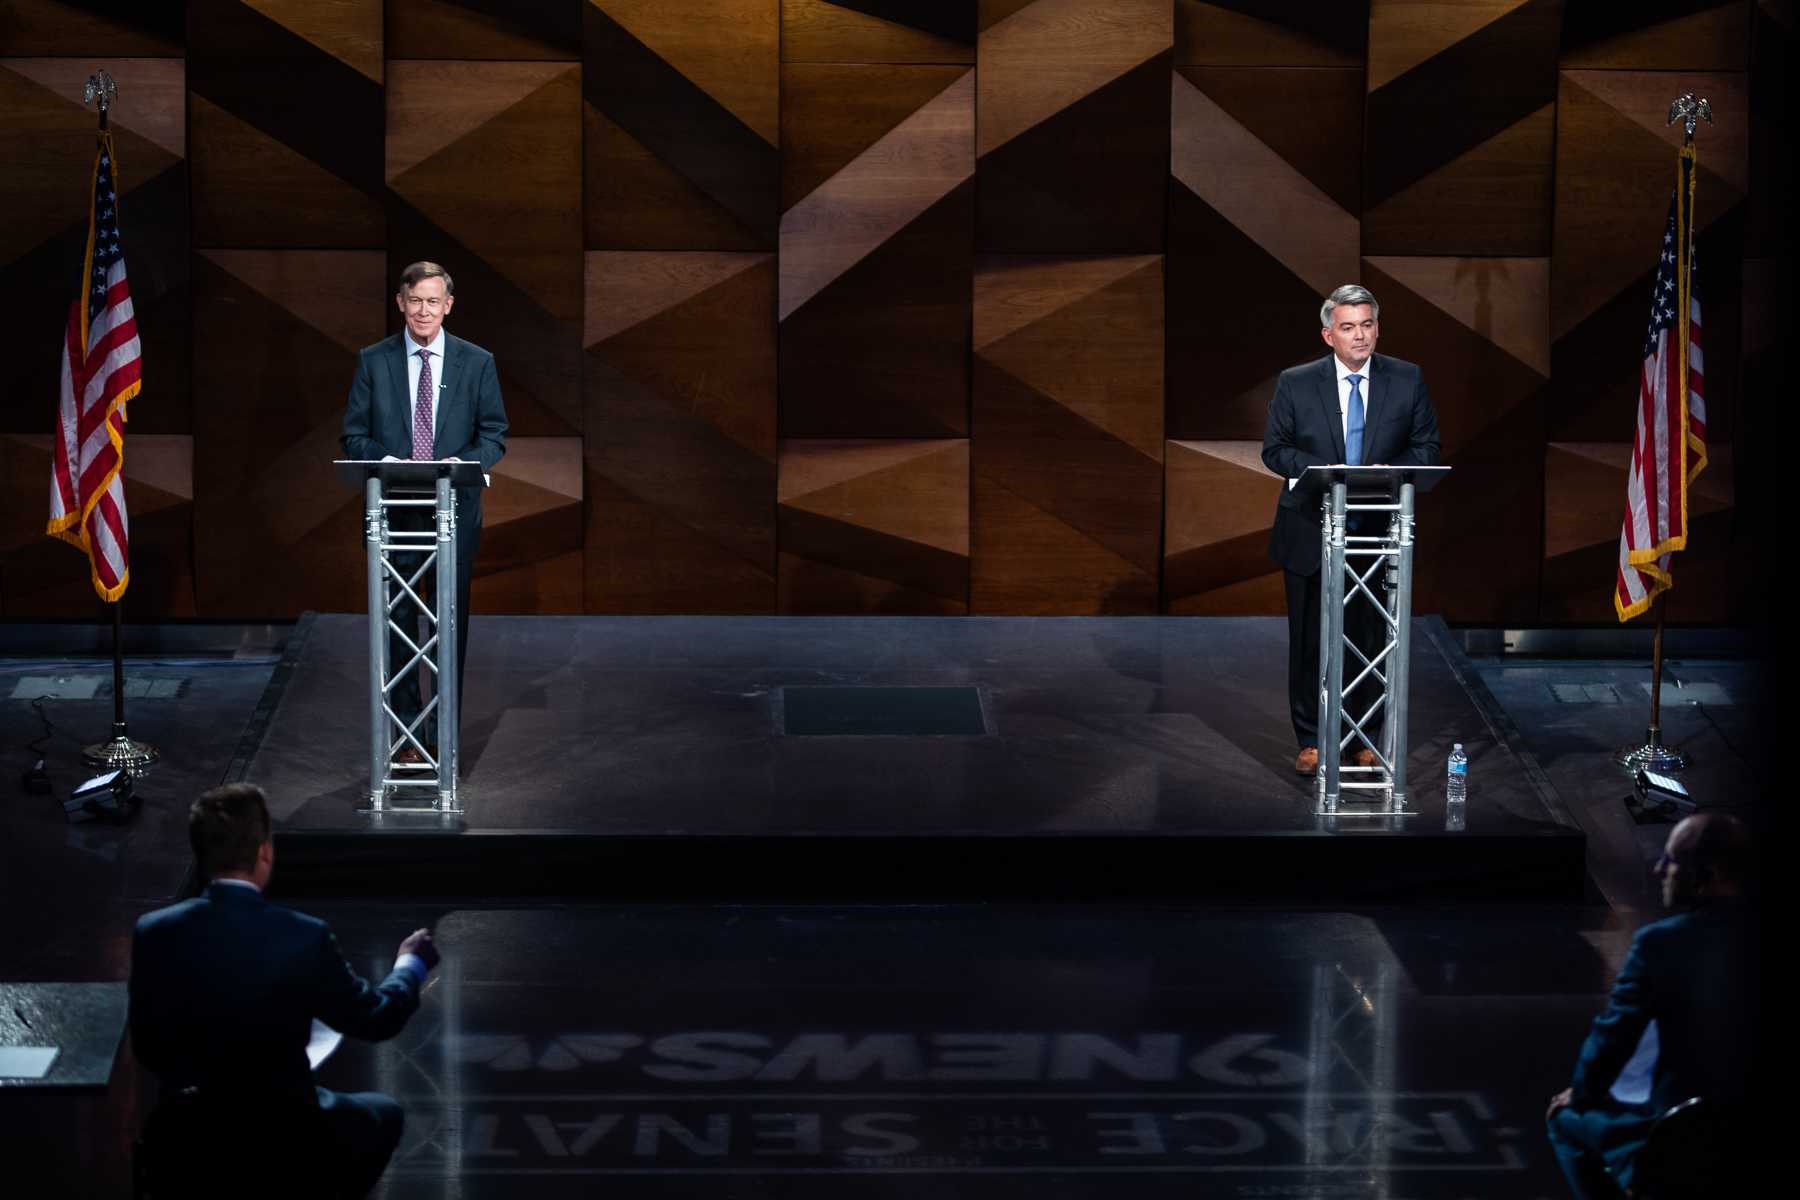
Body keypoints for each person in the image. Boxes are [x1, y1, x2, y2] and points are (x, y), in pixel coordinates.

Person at [129, 783, 440, 1197]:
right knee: (383, 1116)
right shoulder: (303, 936)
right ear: (264, 852)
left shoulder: (153, 933)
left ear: (199, 855)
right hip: (286, 1128)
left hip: (190, 1128)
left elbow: (148, 1047)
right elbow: (377, 1018)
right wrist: (411, 964)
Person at [1260, 284, 1440, 775]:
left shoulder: (1407, 379)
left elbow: (1427, 449)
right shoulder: (1297, 383)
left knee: (1369, 636)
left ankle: (1363, 736)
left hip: (1377, 530)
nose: (1360, 335)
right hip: (1308, 529)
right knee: (1310, 642)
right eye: (1348, 327)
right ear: (1328, 334)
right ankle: (1314, 739)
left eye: (1367, 324)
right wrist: (1328, 472)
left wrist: (1378, 474)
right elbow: (1274, 449)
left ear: (1377, 328)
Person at [341, 261, 507, 762]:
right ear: (400, 303)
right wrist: (391, 464)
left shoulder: (477, 362)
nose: (423, 311)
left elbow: (494, 435)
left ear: (448, 306)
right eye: (415, 301)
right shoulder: (374, 361)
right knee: (398, 626)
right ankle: (408, 739)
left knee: (448, 628)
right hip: (394, 511)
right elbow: (353, 435)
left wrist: (464, 462)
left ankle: (443, 737)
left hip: (452, 513)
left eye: (433, 302)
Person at [1545, 812, 1759, 1199]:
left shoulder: (1661, 944)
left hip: (1685, 1130)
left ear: (1705, 874)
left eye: (1672, 860)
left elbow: (1615, 1036)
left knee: (1565, 1121)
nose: (1660, 868)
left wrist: (1582, 1091)